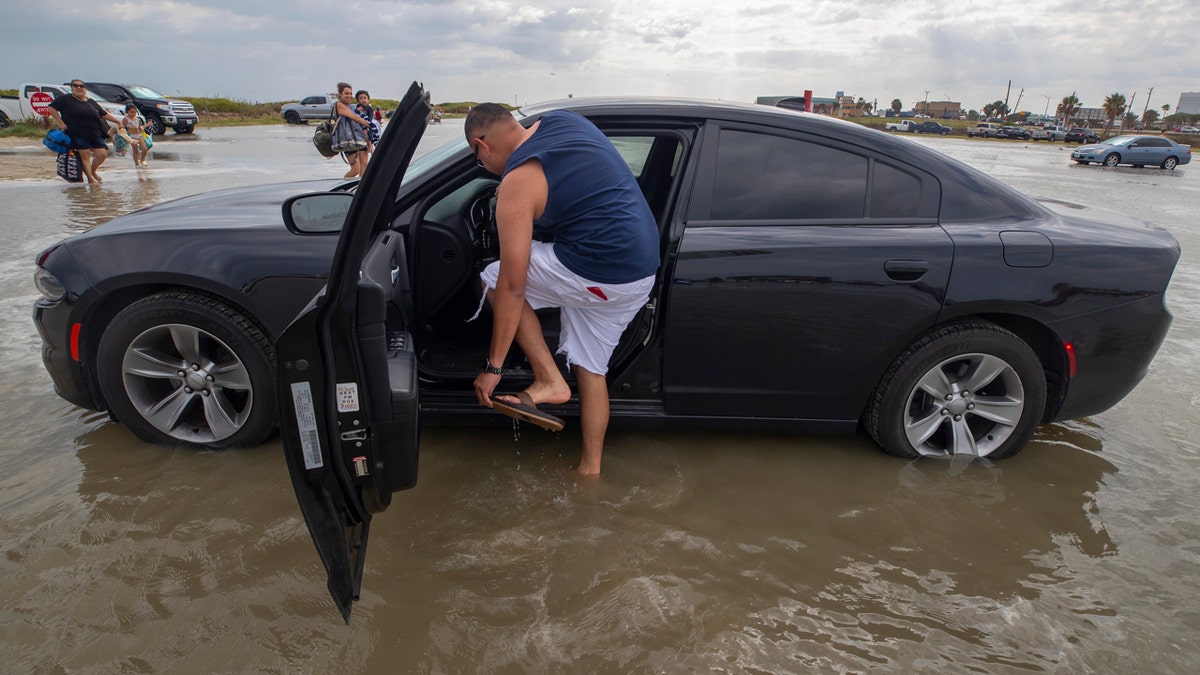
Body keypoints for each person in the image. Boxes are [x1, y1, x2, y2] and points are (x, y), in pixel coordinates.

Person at [465, 103, 659, 475]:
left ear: (482, 145)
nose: (486, 169)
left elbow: (512, 287)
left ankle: (550, 379)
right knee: (590, 366)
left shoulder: (517, 183)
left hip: (603, 269)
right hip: (641, 270)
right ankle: (591, 471)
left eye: (479, 161)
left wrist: (494, 367)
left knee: (493, 278)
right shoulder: (564, 120)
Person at [47, 80, 123, 184]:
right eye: (75, 86)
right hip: (77, 133)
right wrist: (60, 122)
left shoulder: (90, 101)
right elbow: (51, 108)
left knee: (102, 154)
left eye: (81, 86)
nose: (79, 88)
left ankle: (93, 171)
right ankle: (90, 179)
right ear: (72, 88)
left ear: (85, 88)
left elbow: (103, 114)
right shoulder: (65, 99)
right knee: (85, 156)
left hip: (95, 132)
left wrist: (118, 121)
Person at [333, 83, 371, 178]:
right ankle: (341, 188)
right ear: (340, 94)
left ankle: (361, 189)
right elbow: (356, 119)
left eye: (350, 93)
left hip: (359, 139)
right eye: (346, 93)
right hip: (347, 142)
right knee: (355, 170)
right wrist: (371, 125)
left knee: (364, 166)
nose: (349, 96)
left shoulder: (352, 107)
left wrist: (369, 141)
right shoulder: (339, 105)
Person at [354, 90, 382, 165]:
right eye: (361, 98)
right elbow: (354, 114)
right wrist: (357, 111)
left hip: (367, 123)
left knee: (366, 132)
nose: (363, 100)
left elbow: (370, 117)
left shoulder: (369, 108)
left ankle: (370, 145)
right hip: (359, 125)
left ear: (368, 99)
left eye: (365, 98)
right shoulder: (357, 107)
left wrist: (366, 123)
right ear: (358, 100)